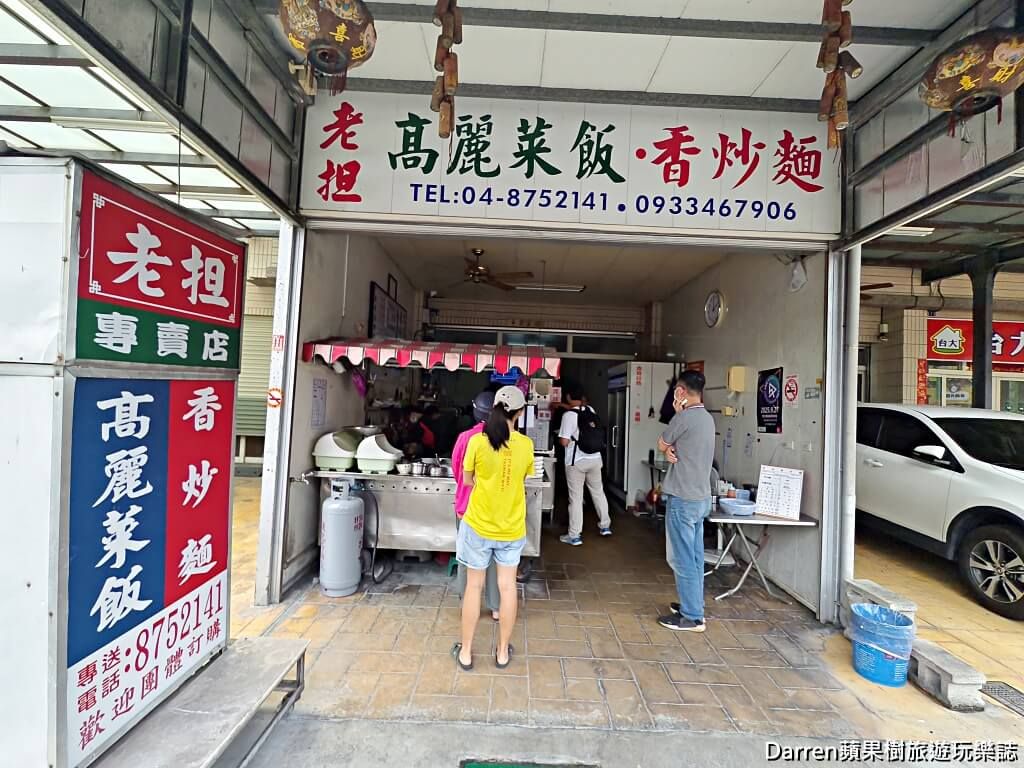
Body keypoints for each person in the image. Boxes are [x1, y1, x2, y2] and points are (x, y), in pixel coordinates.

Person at [454, 386, 533, 670]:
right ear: (520, 412)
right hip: (511, 528)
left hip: (478, 524)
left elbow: (466, 480)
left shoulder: (477, 441)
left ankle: (466, 652)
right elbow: (522, 478)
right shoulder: (526, 445)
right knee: (507, 588)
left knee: (473, 587)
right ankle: (501, 652)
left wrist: (486, 484)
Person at [656, 371, 716, 632]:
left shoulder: (684, 418)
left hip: (683, 498)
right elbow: (681, 447)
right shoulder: (707, 419)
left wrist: (676, 414)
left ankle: (692, 616)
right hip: (700, 498)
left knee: (681, 558)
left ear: (680, 392)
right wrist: (673, 449)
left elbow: (662, 443)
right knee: (695, 557)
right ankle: (693, 606)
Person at [452, 391, 501, 622]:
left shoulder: (465, 438)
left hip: (468, 506)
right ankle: (496, 607)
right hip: (494, 507)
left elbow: (457, 471)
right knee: (494, 557)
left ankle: (466, 604)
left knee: (466, 558)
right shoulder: (505, 438)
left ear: (475, 411)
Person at [558, 384, 612, 546]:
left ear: (568, 396)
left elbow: (564, 441)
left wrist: (565, 437)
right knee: (598, 492)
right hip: (595, 459)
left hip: (577, 462)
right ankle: (605, 526)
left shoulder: (568, 416)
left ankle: (574, 535)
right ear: (582, 397)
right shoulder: (590, 410)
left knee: (576, 498)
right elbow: (577, 411)